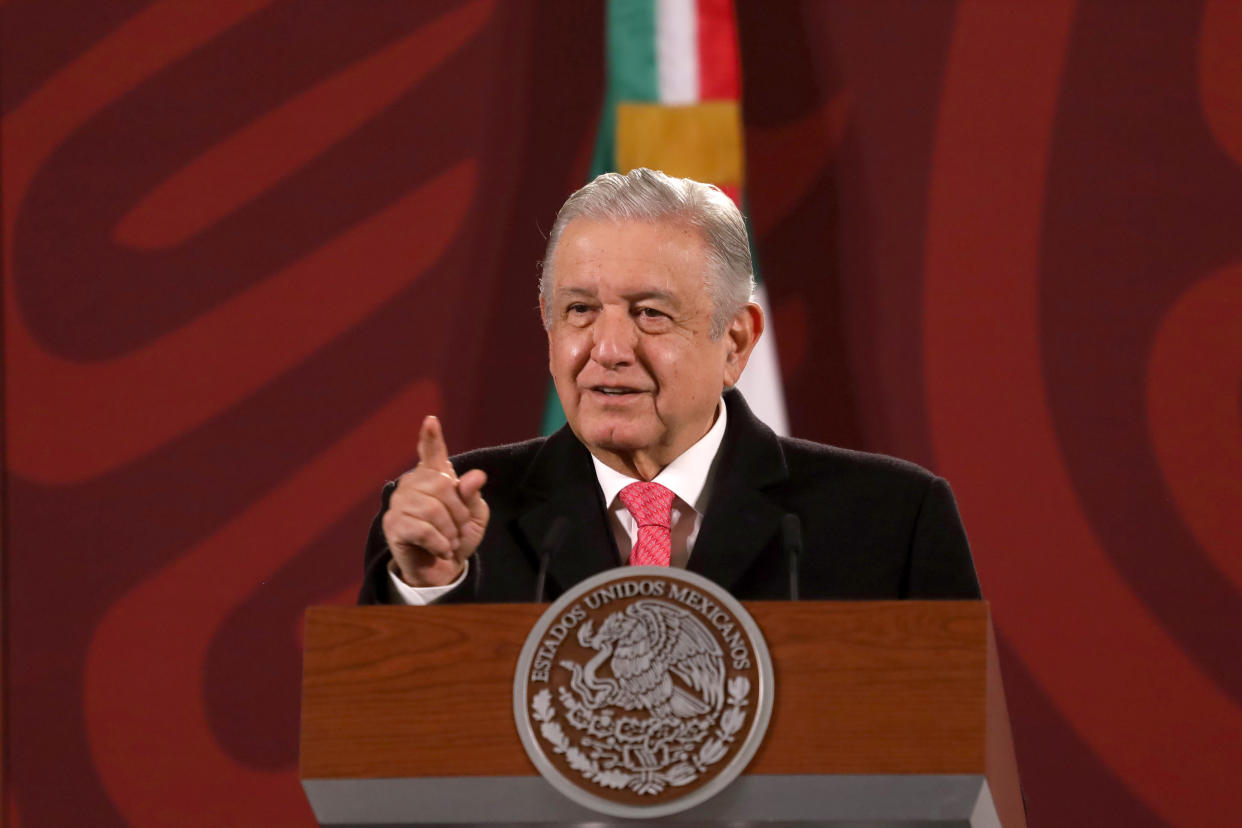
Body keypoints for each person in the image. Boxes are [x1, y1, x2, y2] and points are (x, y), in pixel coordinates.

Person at [359, 168, 979, 605]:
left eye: (650, 314)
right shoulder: (451, 526)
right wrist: (428, 587)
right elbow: (377, 761)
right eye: (579, 311)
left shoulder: (893, 522)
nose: (607, 349)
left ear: (734, 341)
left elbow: (964, 768)